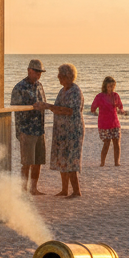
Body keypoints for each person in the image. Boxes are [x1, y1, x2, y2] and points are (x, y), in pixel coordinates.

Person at [37, 63, 84, 198]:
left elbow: (70, 111)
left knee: (71, 160)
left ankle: (76, 191)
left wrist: (49, 106)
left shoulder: (75, 91)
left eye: (60, 75)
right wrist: (46, 106)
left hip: (73, 130)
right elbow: (57, 107)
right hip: (61, 130)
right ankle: (64, 190)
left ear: (67, 76)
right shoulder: (62, 90)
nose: (58, 77)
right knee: (62, 159)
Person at [11, 59, 48, 195]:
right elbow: (15, 108)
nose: (38, 74)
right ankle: (23, 189)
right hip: (26, 130)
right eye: (36, 71)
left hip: (40, 129)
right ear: (29, 70)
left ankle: (33, 188)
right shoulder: (19, 87)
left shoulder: (39, 85)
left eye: (40, 72)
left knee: (38, 161)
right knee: (27, 162)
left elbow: (43, 103)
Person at [91, 76, 126, 166]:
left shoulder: (115, 95)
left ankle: (117, 163)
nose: (112, 88)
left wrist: (122, 111)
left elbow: (120, 106)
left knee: (116, 142)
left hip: (115, 122)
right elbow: (93, 108)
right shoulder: (99, 96)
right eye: (110, 86)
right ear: (105, 86)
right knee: (106, 143)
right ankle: (102, 163)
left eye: (113, 86)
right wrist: (95, 113)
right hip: (104, 123)